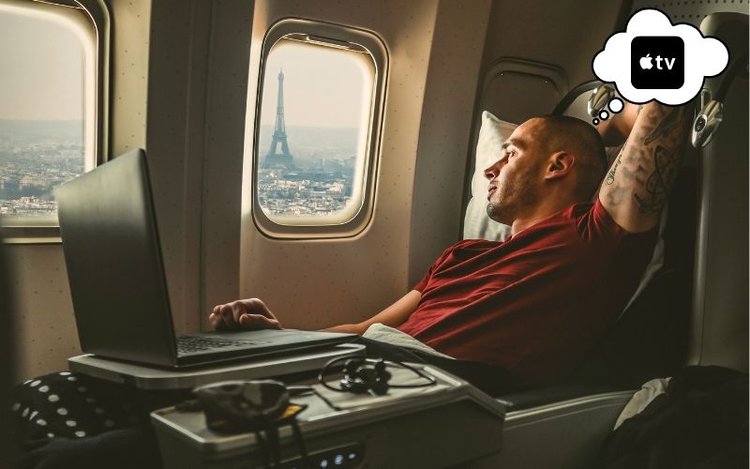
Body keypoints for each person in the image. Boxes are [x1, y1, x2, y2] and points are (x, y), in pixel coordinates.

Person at [211, 99, 692, 388]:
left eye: (510, 152)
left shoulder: (593, 238)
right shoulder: (461, 255)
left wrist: (592, 132)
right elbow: (364, 327)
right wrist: (279, 339)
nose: (489, 168)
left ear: (557, 167)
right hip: (366, 364)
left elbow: (665, 105)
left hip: (434, 386)